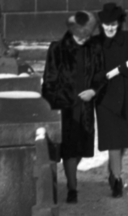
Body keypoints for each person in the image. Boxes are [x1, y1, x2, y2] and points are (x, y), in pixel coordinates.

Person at [41, 11, 104, 203]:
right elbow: (49, 81)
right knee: (69, 149)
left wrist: (93, 91)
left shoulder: (94, 48)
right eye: (80, 36)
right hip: (65, 108)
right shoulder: (57, 49)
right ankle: (72, 187)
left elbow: (101, 76)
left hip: (84, 106)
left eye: (86, 36)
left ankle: (71, 177)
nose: (83, 39)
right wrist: (55, 104)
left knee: (81, 149)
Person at [95, 1, 128, 197]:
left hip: (126, 96)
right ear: (101, 24)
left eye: (114, 24)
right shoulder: (96, 43)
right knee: (114, 140)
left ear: (119, 23)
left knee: (123, 140)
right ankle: (117, 178)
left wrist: (127, 70)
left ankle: (113, 170)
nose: (110, 28)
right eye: (107, 24)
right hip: (106, 98)